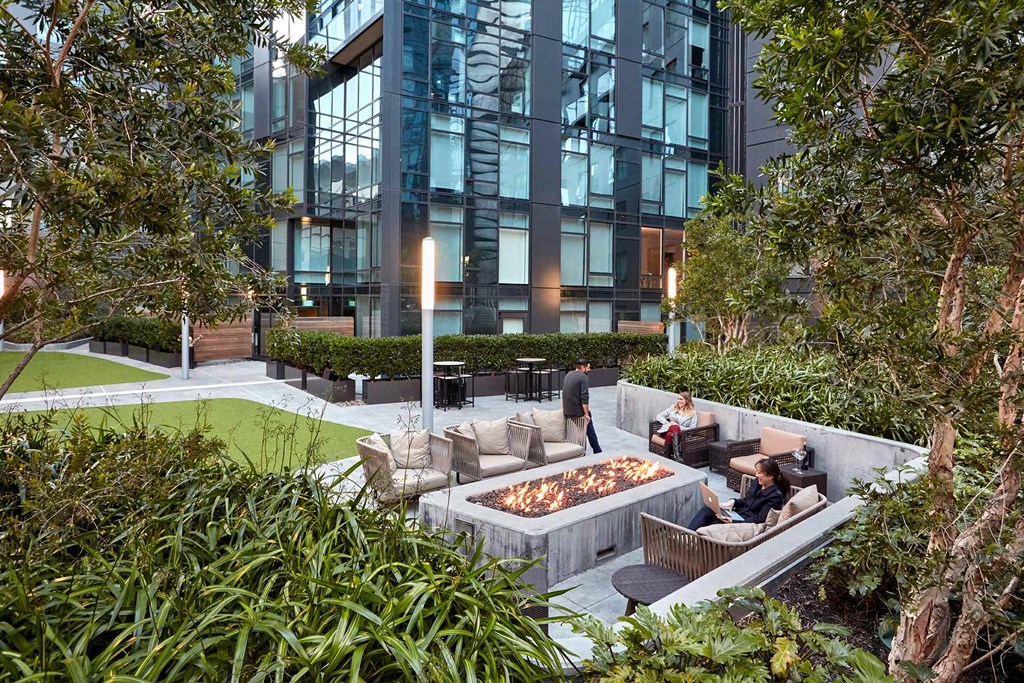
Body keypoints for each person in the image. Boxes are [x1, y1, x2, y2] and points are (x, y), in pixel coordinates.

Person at [686, 458, 789, 530]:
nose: (756, 475)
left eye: (760, 473)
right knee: (707, 511)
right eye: (757, 471)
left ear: (770, 476)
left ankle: (690, 541)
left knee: (712, 523)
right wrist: (733, 502)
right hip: (739, 513)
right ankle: (685, 535)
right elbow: (746, 501)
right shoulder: (757, 482)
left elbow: (760, 520)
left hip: (746, 523)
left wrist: (733, 522)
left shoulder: (775, 497)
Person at [563, 357, 602, 454]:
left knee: (588, 419)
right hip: (576, 412)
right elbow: (584, 397)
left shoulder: (569, 374)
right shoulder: (583, 377)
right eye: (588, 368)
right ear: (583, 367)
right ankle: (597, 450)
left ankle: (595, 449)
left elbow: (564, 394)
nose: (590, 370)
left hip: (567, 411)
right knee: (589, 418)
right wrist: (586, 414)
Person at [651, 390, 697, 460]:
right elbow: (659, 416)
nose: (679, 401)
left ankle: (666, 456)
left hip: (682, 435)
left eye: (681, 399)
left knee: (671, 434)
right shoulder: (673, 408)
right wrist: (668, 423)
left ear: (687, 400)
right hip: (666, 431)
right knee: (673, 428)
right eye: (678, 399)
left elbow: (692, 429)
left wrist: (678, 426)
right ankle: (677, 455)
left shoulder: (692, 413)